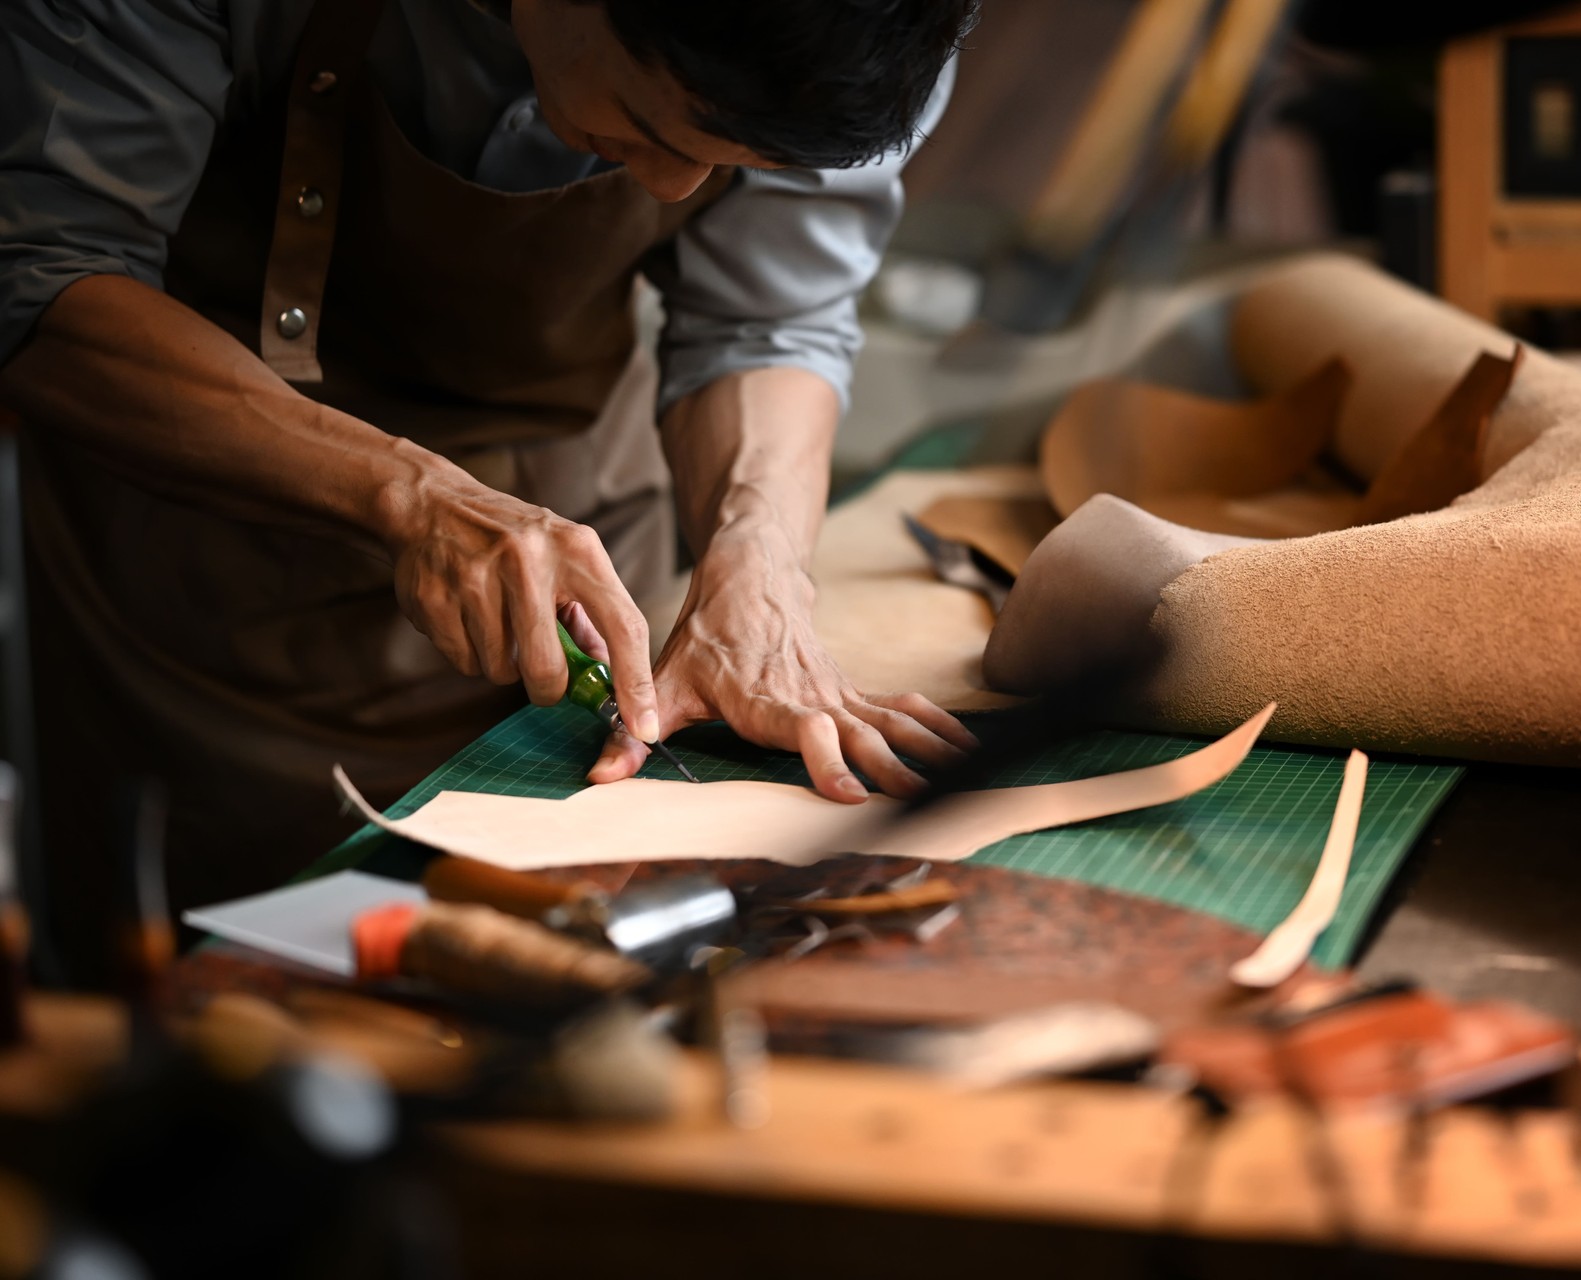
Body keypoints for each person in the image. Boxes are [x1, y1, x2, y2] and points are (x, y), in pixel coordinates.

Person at [0, 0, 978, 981]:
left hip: (592, 553)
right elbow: (41, 274)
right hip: (218, 614)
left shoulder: (871, 28)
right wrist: (406, 493)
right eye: (655, 128)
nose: (679, 187)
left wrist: (757, 567)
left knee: (612, 971)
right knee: (249, 1001)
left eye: (731, 161)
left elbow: (768, 321)